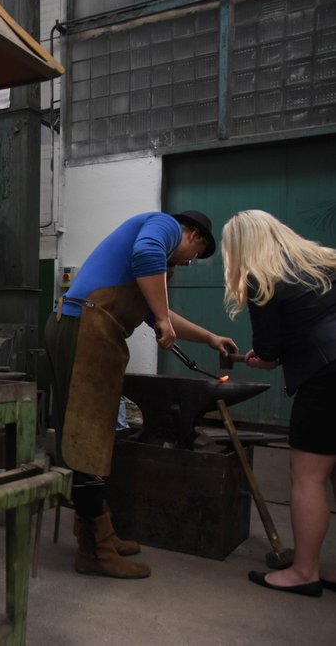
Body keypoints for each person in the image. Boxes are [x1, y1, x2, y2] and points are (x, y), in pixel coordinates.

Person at [44, 210, 238, 579]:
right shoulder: (163, 226)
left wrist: (209, 337)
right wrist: (162, 318)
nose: (189, 260)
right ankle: (95, 552)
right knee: (87, 441)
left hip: (87, 328)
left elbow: (159, 313)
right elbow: (148, 257)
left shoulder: (149, 267)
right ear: (192, 234)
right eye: (195, 254)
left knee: (95, 439)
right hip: (85, 328)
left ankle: (96, 535)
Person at [221, 209, 336, 597]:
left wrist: (261, 357)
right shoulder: (323, 260)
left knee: (308, 476)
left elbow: (269, 353)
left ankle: (304, 573)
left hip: (326, 378)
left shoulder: (262, 278)